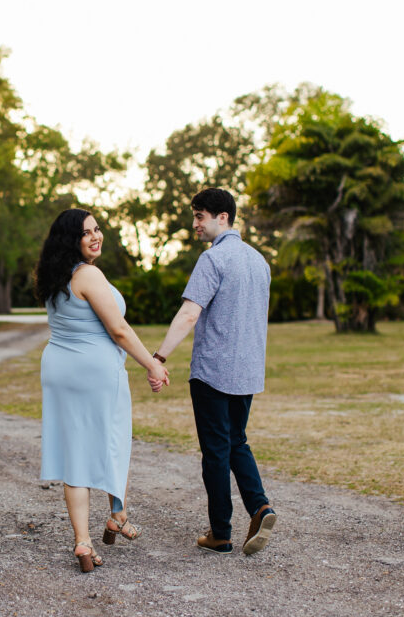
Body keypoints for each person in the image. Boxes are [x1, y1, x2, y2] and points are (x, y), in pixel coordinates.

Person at [35, 208, 170, 573]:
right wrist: (152, 364)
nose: (96, 236)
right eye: (87, 233)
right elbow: (120, 331)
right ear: (71, 240)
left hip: (60, 368)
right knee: (114, 439)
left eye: (98, 230)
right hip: (94, 370)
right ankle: (116, 515)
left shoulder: (54, 276)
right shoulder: (89, 274)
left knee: (75, 453)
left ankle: (87, 539)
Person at [149, 187, 276, 555]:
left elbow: (190, 312)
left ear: (223, 217)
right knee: (236, 440)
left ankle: (220, 532)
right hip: (247, 371)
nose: (195, 225)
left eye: (200, 216)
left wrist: (160, 356)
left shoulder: (213, 259)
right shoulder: (259, 261)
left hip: (213, 372)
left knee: (216, 452)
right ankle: (261, 506)